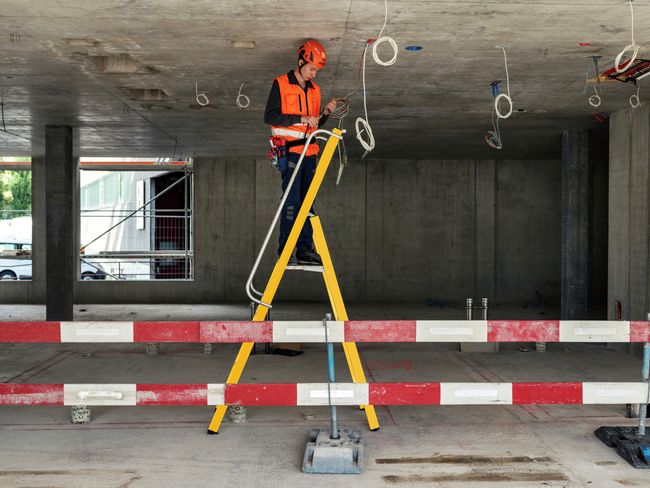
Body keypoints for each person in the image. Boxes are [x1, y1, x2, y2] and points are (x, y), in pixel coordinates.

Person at [264, 39, 337, 266]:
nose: (314, 74)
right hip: (291, 152)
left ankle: (305, 250)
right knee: (292, 201)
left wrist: (325, 113)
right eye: (311, 68)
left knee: (308, 203)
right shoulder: (281, 83)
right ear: (300, 62)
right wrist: (301, 118)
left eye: (317, 71)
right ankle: (286, 251)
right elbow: (271, 117)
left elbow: (314, 125)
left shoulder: (315, 91)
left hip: (310, 153)